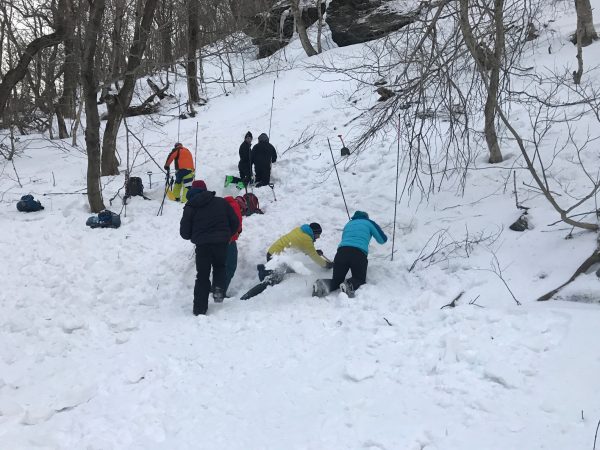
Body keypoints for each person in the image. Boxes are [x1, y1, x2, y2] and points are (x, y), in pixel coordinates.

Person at [180, 180, 240, 316]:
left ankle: (199, 309)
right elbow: (235, 223)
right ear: (206, 189)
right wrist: (226, 235)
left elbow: (184, 233)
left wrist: (195, 236)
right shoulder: (221, 202)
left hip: (202, 246)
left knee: (202, 275)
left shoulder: (190, 206)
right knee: (220, 267)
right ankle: (219, 294)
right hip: (221, 244)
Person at [330, 211, 387, 297]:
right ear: (366, 217)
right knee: (359, 279)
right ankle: (348, 285)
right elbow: (382, 240)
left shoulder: (348, 224)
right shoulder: (369, 222)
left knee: (337, 280)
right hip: (358, 254)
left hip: (341, 253)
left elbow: (344, 238)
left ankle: (321, 285)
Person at [258, 222, 332, 281]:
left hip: (272, 252)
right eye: (318, 235)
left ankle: (267, 269)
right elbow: (314, 257)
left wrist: (314, 251)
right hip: (275, 257)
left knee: (291, 270)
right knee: (277, 278)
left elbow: (301, 247)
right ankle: (264, 271)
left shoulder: (300, 230)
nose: (319, 237)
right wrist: (326, 265)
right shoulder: (306, 239)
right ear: (314, 233)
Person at [223, 195, 243, 297]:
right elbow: (238, 224)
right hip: (228, 240)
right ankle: (221, 291)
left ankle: (214, 287)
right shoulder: (234, 206)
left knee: (220, 266)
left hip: (215, 240)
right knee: (230, 266)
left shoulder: (222, 204)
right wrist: (238, 232)